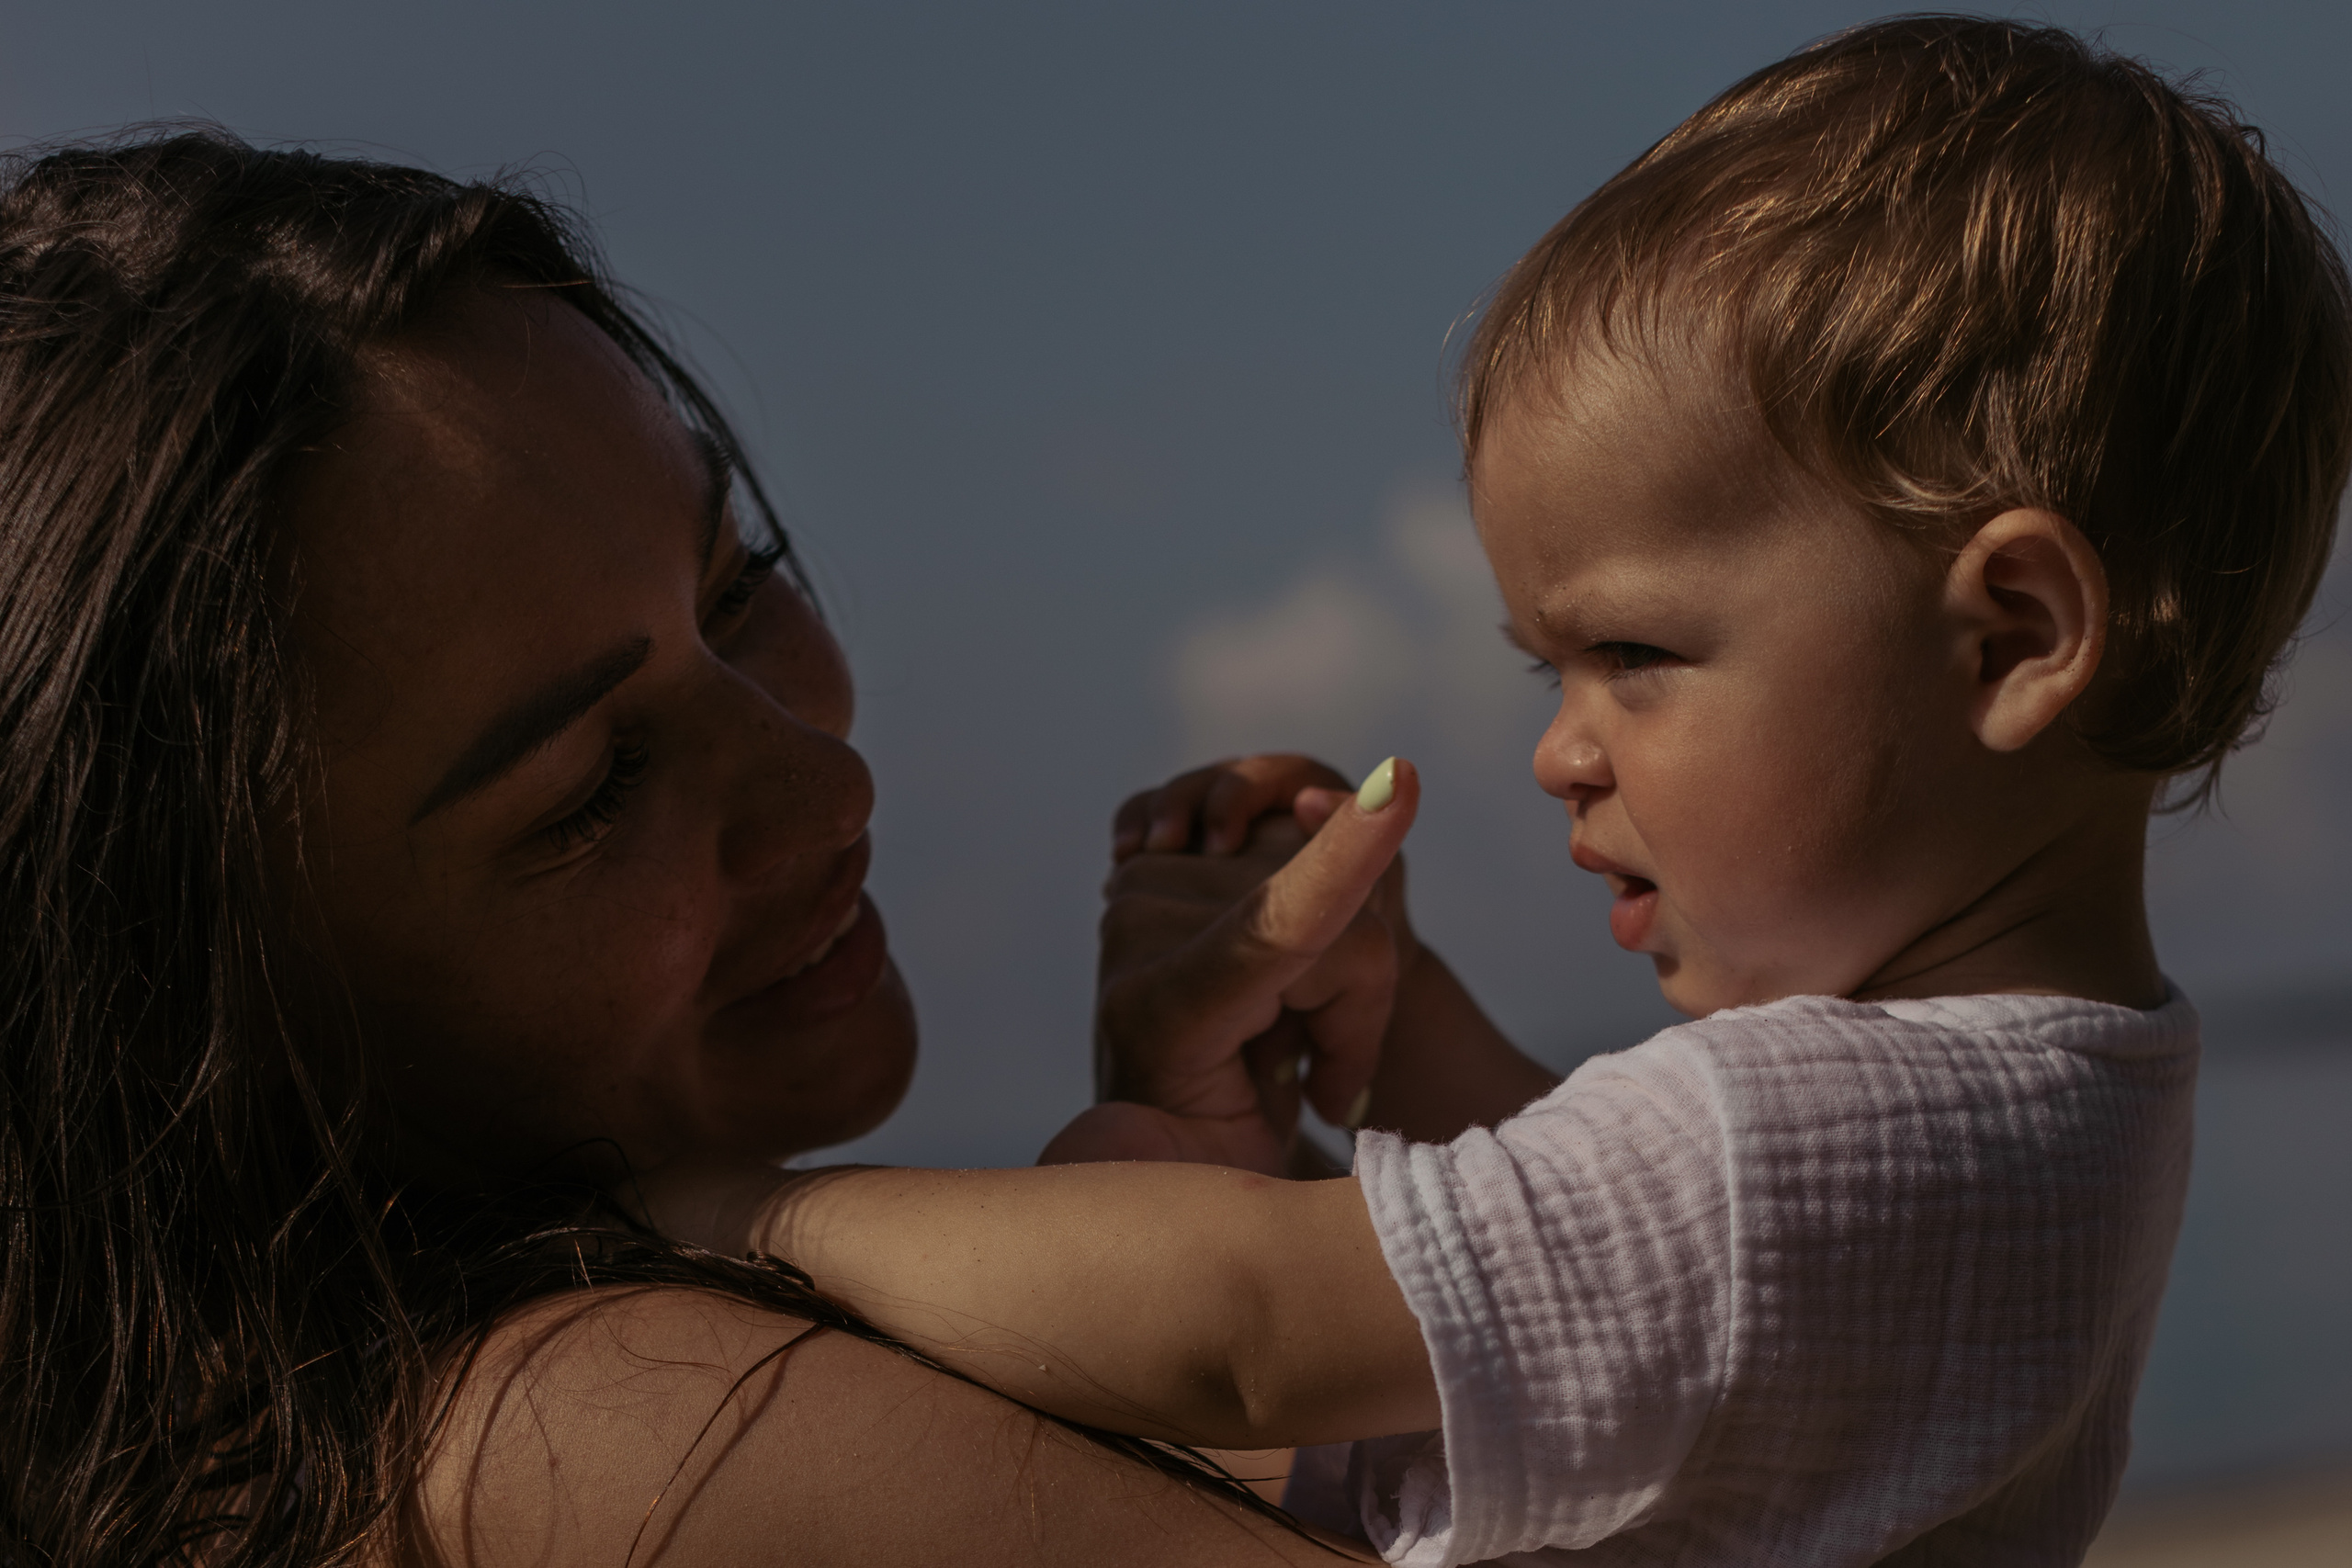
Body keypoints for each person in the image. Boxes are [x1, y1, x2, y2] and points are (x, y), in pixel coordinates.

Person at [672, 17, 2352, 1566]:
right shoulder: (2056, 1096)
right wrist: (1395, 1016)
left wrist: (738, 1219)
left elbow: (1249, 1330)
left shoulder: (1800, 1152)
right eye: (1547, 670)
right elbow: (1613, 1232)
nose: (1559, 747)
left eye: (1632, 652)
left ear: (2011, 637)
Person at [0, 130, 1364, 1565]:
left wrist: (1194, 1187)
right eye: (591, 787)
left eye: (738, 586)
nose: (829, 787)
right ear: (195, 1037)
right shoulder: (592, 1439)